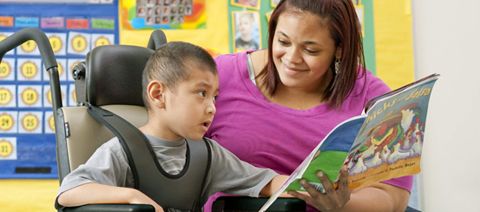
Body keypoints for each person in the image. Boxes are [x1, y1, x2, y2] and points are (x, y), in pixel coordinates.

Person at [204, 0, 413, 211]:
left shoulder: (374, 98)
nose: (292, 58)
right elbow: (174, 150)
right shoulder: (217, 76)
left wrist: (343, 204)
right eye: (283, 42)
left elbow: (393, 199)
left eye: (310, 50)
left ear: (339, 49)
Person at [55, 42, 287, 212]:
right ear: (158, 95)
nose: (212, 108)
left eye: (214, 97)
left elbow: (266, 182)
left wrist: (310, 182)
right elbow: (69, 192)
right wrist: (131, 197)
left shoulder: (207, 154)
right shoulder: (122, 152)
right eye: (201, 93)